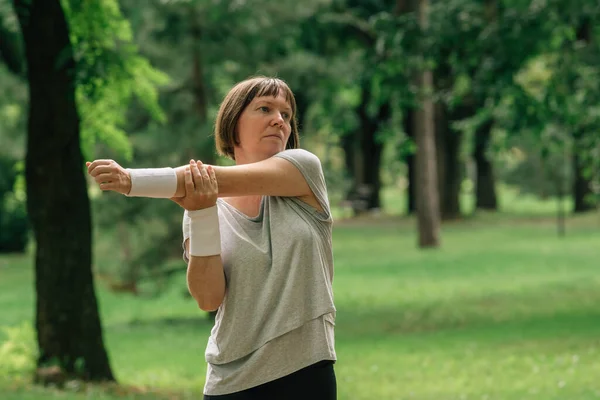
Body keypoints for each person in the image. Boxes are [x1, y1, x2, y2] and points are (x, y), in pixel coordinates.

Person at [87, 76, 337, 399]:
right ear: (233, 127)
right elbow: (208, 298)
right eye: (265, 109)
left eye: (286, 115)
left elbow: (206, 178)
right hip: (231, 383)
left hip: (306, 373)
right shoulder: (203, 203)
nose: (279, 120)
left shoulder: (304, 171)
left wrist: (130, 180)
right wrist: (201, 212)